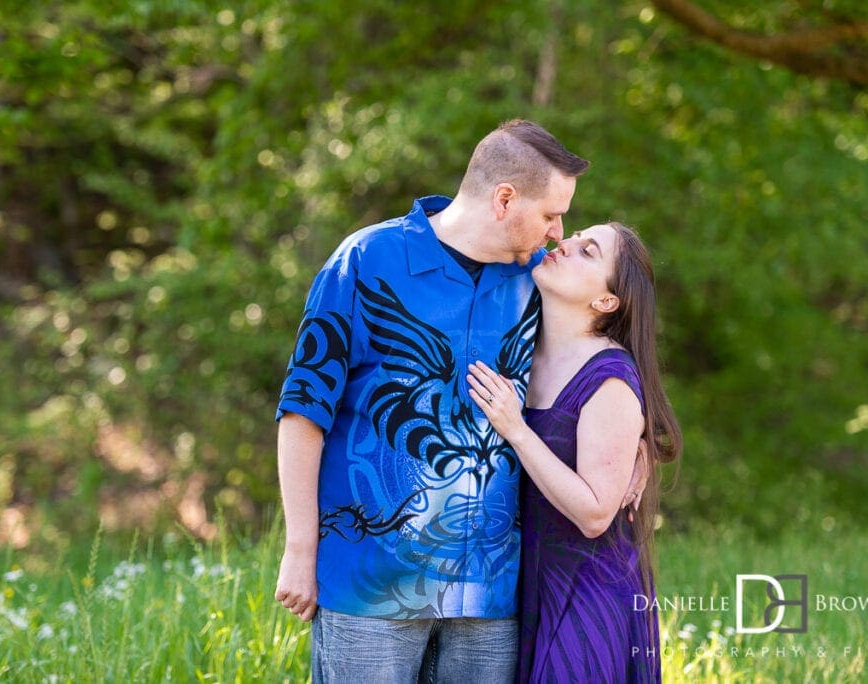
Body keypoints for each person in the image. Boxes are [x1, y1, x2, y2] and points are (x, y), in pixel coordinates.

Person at [274, 119, 594, 682]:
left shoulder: (539, 282)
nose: (557, 232)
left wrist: (638, 440)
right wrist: (300, 549)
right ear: (504, 199)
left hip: (492, 593)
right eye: (550, 214)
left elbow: (605, 349)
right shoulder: (366, 261)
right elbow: (303, 411)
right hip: (368, 586)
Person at [467, 221, 682, 683]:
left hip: (587, 597)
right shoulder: (522, 347)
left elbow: (595, 514)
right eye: (573, 237)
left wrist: (516, 429)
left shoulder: (608, 377)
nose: (564, 244)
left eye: (588, 251)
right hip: (529, 590)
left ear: (606, 302)